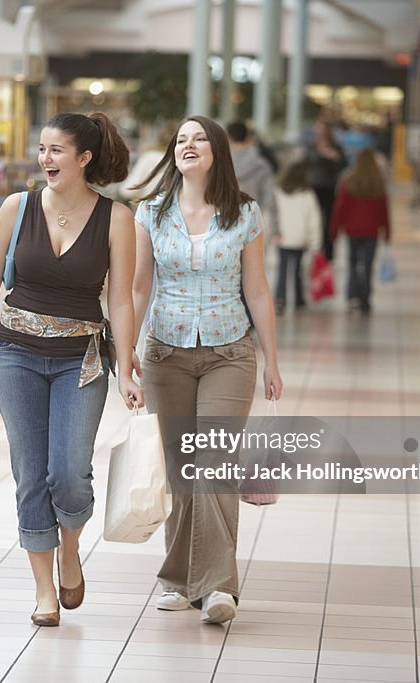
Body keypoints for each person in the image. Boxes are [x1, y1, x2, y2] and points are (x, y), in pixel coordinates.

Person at [0, 112, 144, 627]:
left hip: (81, 361)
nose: (45, 159)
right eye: (42, 149)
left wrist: (126, 369)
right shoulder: (16, 208)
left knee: (69, 473)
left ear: (84, 158)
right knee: (29, 474)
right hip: (14, 353)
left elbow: (122, 301)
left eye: (56, 150)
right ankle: (43, 591)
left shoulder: (117, 219)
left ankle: (70, 547)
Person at [131, 116, 283, 625]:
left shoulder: (244, 213)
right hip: (165, 352)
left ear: (216, 150)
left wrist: (272, 360)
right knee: (179, 469)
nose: (188, 145)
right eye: (180, 139)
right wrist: (127, 350)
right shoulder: (150, 213)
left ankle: (218, 585)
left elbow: (257, 288)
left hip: (229, 351)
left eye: (198, 138)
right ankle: (178, 579)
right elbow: (137, 287)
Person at [329, 148, 390, 316]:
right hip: (371, 231)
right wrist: (387, 231)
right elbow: (384, 210)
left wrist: (334, 230)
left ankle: (352, 297)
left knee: (352, 263)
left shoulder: (349, 182)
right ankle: (365, 300)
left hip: (352, 230)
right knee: (368, 266)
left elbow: (340, 208)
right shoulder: (379, 183)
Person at [273, 160, 322, 312]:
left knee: (282, 269)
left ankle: (280, 299)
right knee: (298, 271)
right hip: (300, 238)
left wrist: (274, 233)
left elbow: (273, 214)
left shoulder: (279, 192)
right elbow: (314, 219)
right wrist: (315, 242)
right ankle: (299, 299)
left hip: (283, 237)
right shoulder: (307, 194)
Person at [305, 119, 346, 262]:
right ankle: (314, 248)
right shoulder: (311, 146)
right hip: (313, 186)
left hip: (329, 185)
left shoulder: (335, 146)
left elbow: (343, 164)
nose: (319, 131)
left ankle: (329, 250)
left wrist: (333, 156)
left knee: (329, 218)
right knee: (314, 218)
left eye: (322, 128)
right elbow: (306, 162)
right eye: (317, 128)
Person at [226, 120, 277, 233]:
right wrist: (275, 228)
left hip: (224, 221)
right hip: (253, 221)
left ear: (228, 137)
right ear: (247, 136)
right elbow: (269, 197)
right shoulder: (262, 164)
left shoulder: (220, 163)